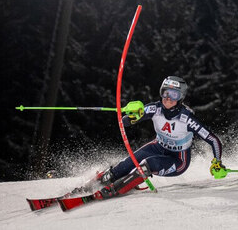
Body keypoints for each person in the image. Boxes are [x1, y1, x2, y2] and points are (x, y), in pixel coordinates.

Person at [82, 76, 226, 199]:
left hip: (178, 159)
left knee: (148, 164)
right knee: (129, 162)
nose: (168, 99)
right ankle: (103, 179)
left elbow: (213, 139)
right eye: (165, 93)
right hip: (158, 146)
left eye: (174, 95)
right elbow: (125, 122)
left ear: (180, 97)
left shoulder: (187, 118)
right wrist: (131, 115)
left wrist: (217, 162)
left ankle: (116, 188)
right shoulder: (155, 109)